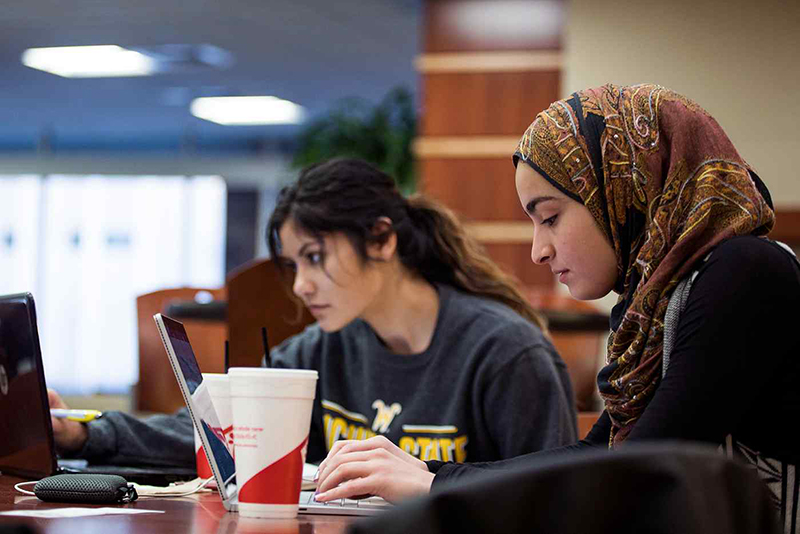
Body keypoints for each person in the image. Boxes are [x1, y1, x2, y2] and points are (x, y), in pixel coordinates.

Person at [312, 84, 800, 533]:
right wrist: (427, 471)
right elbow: (599, 455)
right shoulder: (660, 303)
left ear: (623, 190)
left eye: (550, 218)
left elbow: (642, 475)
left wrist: (435, 484)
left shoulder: (745, 271)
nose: (537, 251)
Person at [49, 158, 578, 483]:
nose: (301, 285)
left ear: (381, 239)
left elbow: (550, 494)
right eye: (293, 264)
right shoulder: (317, 351)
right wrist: (79, 434)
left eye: (316, 257)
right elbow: (218, 435)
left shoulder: (506, 354)